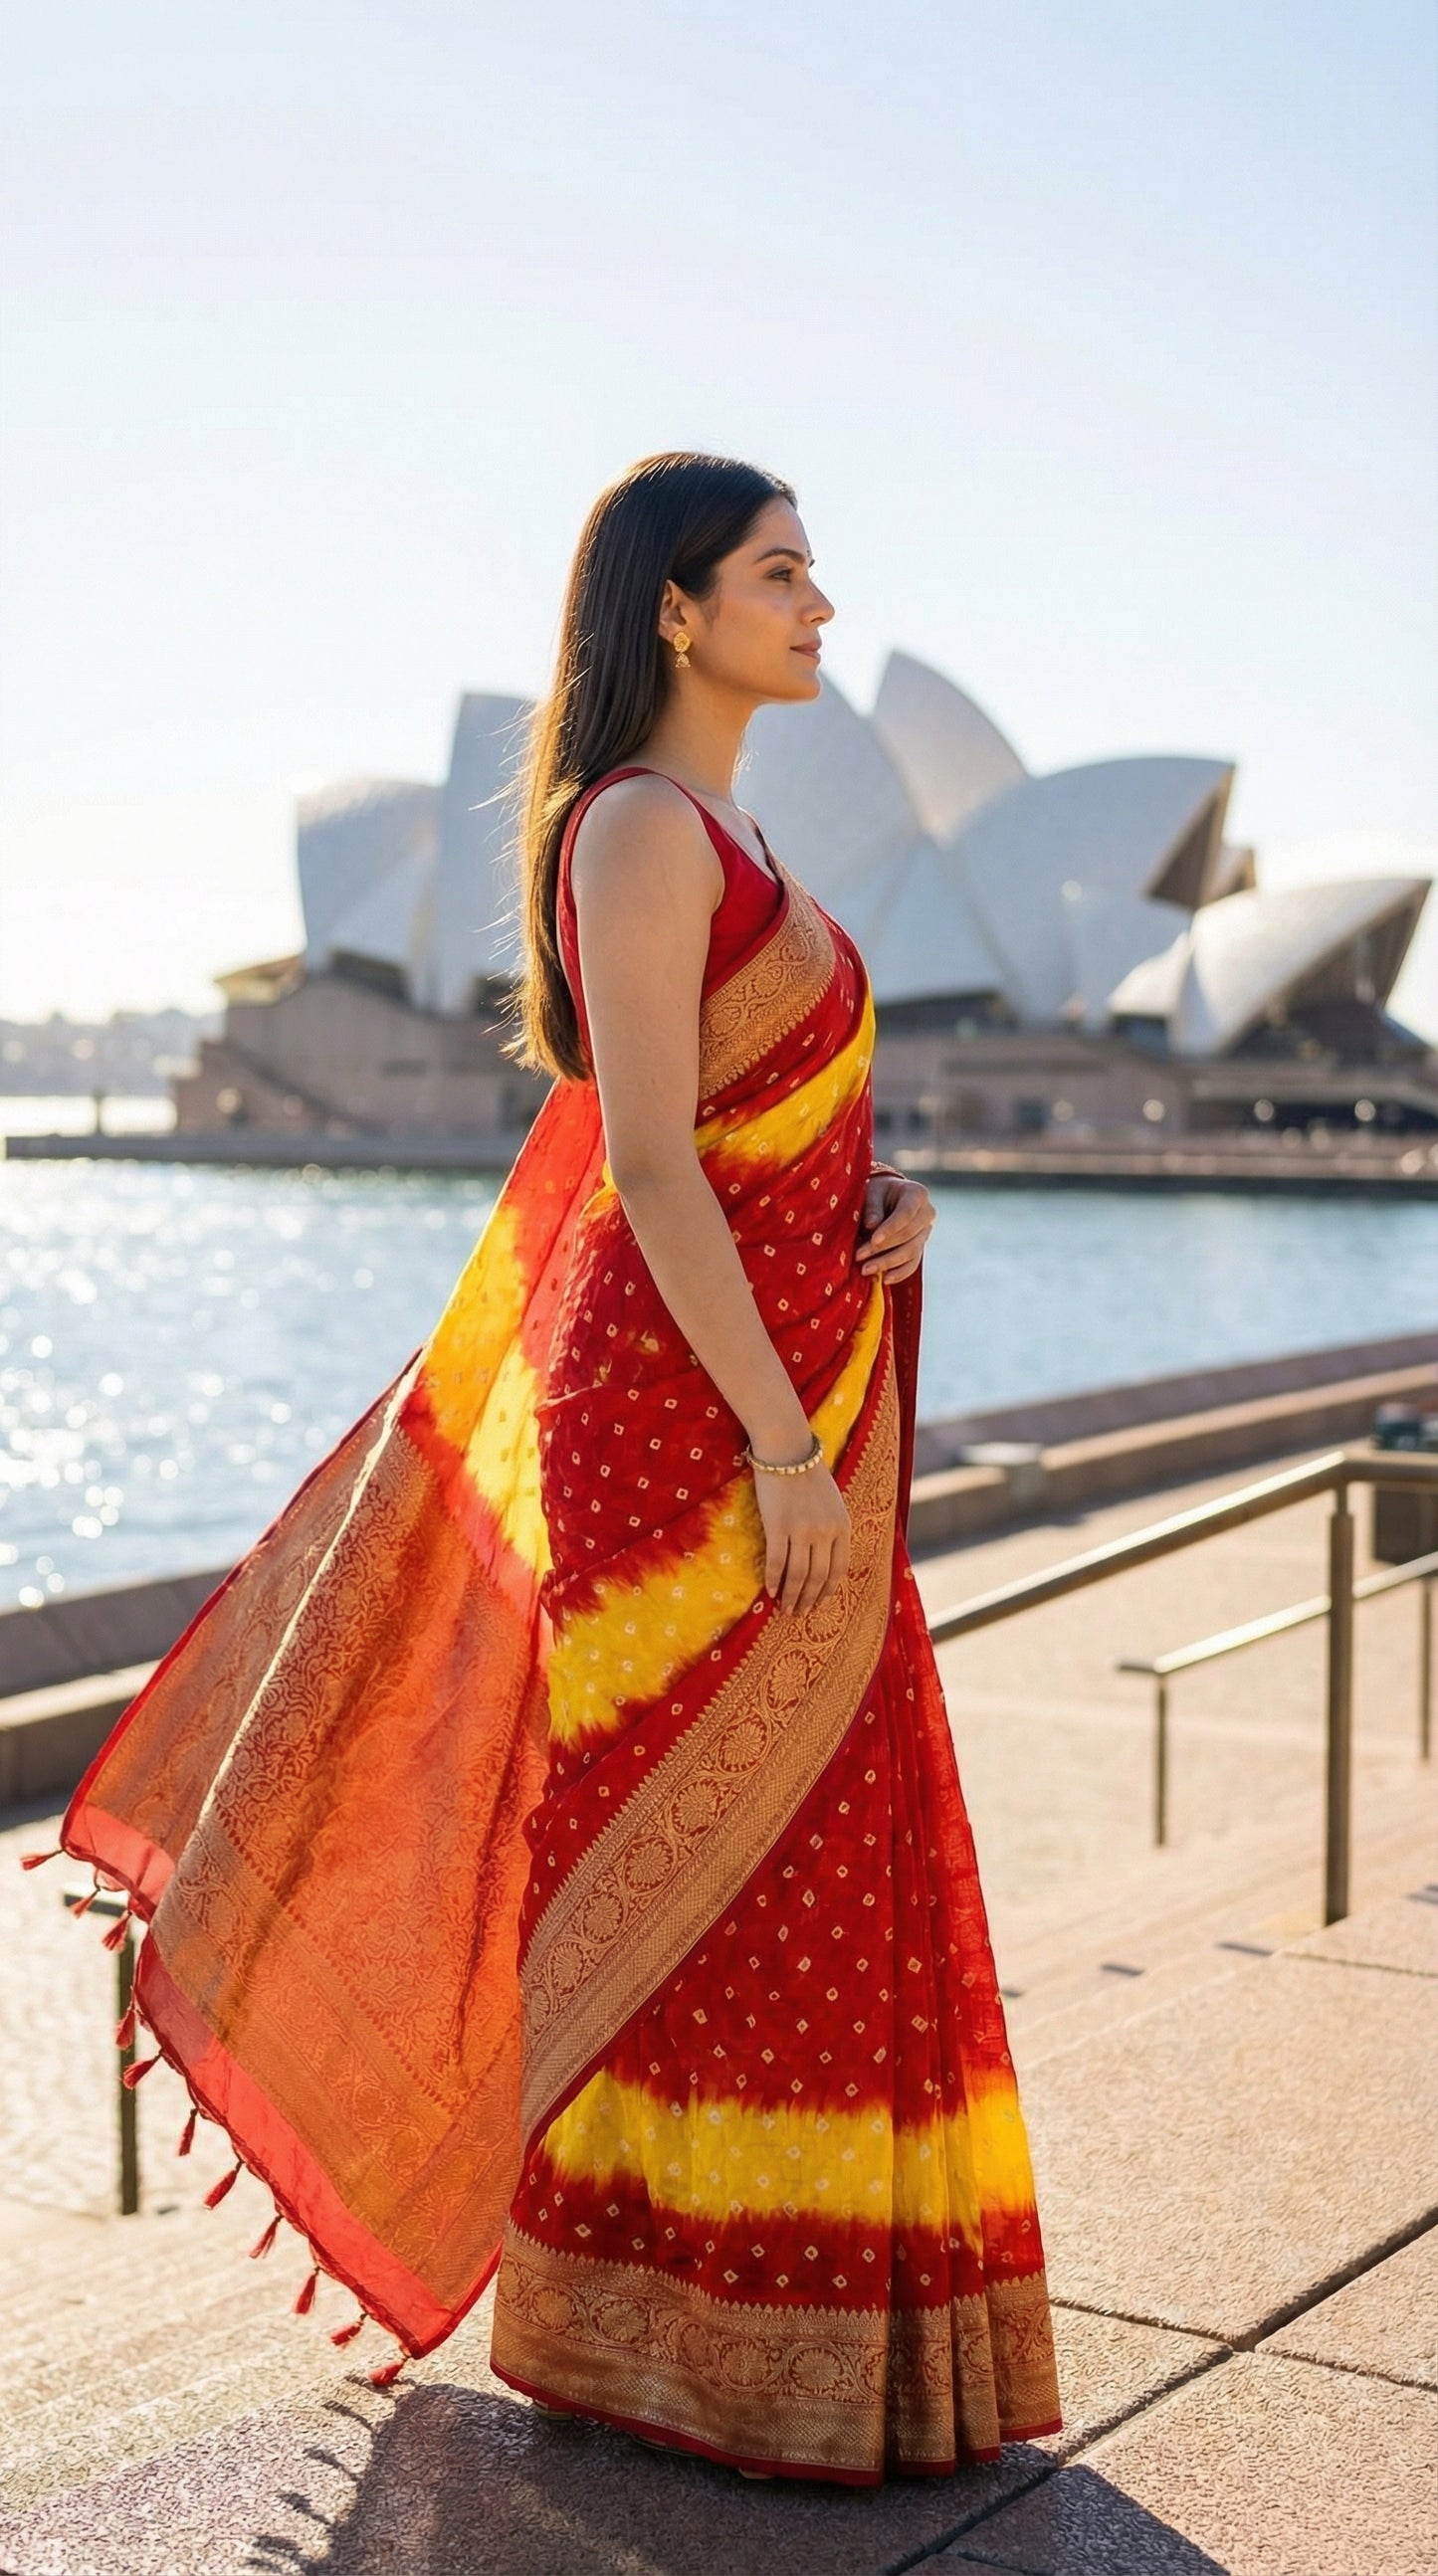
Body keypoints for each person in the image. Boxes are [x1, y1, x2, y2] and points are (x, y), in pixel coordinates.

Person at [46, 451, 1062, 2485]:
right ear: (675, 609)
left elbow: (757, 1130)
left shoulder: (735, 829)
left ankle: (808, 2324)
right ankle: (653, 2326)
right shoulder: (636, 827)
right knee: (684, 1864)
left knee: (812, 1849)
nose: (822, 608)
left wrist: (890, 1197)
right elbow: (655, 1159)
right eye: (784, 574)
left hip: (783, 1384)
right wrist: (779, 1436)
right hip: (696, 1426)